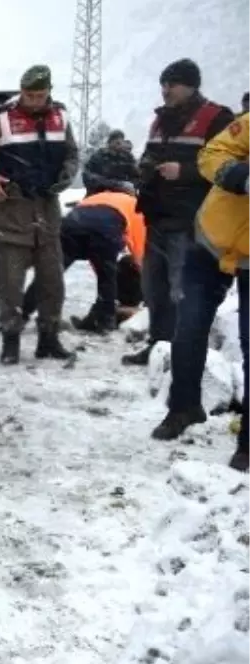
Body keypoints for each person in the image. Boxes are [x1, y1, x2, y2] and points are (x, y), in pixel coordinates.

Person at [0, 65, 80, 365]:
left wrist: (66, 174)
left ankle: (49, 339)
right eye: (29, 94)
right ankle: (10, 342)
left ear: (49, 91)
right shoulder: (0, 117)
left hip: (48, 215)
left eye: (40, 95)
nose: (34, 100)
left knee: (53, 283)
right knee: (11, 286)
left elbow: (71, 153)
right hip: (12, 213)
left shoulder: (61, 115)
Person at [151, 110, 250, 472]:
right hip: (211, 243)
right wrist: (241, 176)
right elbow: (211, 154)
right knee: (189, 327)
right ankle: (184, 408)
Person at [123, 58, 235, 366]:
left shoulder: (217, 118)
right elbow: (150, 153)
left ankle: (182, 356)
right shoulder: (161, 120)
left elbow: (226, 166)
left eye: (171, 84)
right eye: (163, 84)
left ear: (190, 85)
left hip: (192, 220)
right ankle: (158, 347)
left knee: (183, 291)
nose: (165, 90)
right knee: (154, 288)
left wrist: (184, 171)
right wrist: (143, 168)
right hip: (158, 216)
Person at [22, 190, 144, 333]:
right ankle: (105, 321)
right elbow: (139, 252)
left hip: (72, 225)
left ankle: (22, 312)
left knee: (50, 274)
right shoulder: (137, 207)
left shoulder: (97, 197)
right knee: (107, 279)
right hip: (105, 227)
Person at [82, 129, 138, 196]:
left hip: (123, 197)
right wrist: (117, 185)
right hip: (99, 195)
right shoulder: (98, 156)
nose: (118, 142)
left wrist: (131, 185)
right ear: (109, 142)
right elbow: (87, 176)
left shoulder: (128, 158)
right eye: (115, 140)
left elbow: (137, 177)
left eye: (120, 140)